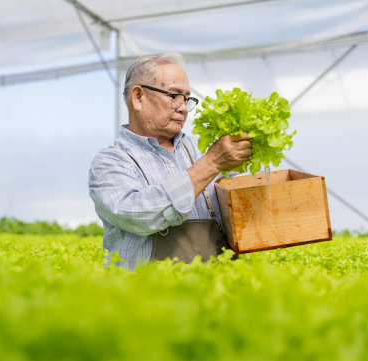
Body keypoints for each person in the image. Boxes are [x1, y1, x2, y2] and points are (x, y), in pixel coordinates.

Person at [88, 53, 251, 270]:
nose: (183, 108)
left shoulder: (202, 149)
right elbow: (139, 214)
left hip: (217, 295)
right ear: (138, 97)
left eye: (186, 99)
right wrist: (211, 164)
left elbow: (245, 212)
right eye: (174, 96)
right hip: (149, 298)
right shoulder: (110, 162)